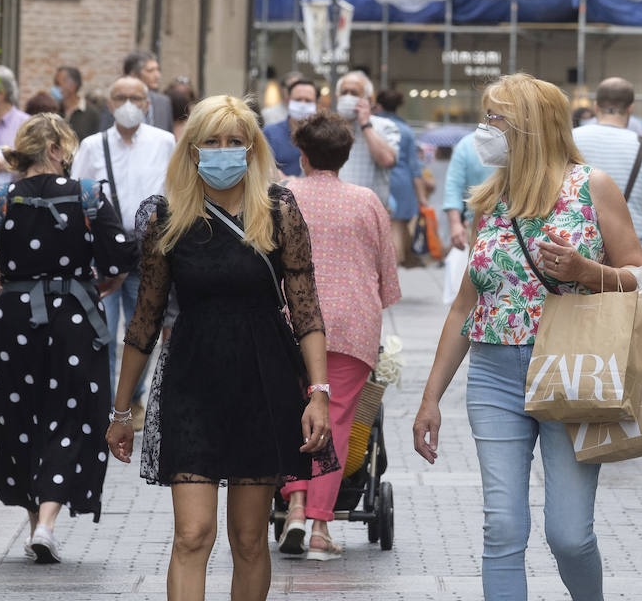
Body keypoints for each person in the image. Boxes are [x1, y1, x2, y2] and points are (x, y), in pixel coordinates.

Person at [413, 73, 642, 601]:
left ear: (529, 127)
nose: (484, 129)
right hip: (495, 376)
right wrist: (431, 398)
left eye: (494, 117)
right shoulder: (493, 198)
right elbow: (463, 308)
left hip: (572, 374)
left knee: (568, 534)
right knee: (503, 530)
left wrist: (586, 270)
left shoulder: (593, 187)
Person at [106, 95, 335, 599]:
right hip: (193, 380)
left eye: (236, 142)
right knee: (192, 535)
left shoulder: (278, 212)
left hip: (263, 379)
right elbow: (143, 321)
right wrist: (121, 410)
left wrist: (319, 393)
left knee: (250, 540)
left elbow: (307, 310)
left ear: (253, 150)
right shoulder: (166, 218)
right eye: (212, 141)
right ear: (192, 150)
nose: (224, 151)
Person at [0, 113, 134, 563]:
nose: (68, 158)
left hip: (15, 319)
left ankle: (36, 526)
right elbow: (122, 249)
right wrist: (109, 278)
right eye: (65, 149)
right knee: (70, 414)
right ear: (53, 150)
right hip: (74, 318)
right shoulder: (86, 195)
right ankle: (47, 522)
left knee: (18, 415)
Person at [278, 112, 401, 558]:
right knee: (335, 422)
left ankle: (292, 504)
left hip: (291, 322)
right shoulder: (367, 200)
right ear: (346, 157)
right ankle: (319, 527)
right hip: (352, 325)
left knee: (294, 412)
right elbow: (388, 276)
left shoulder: (284, 195)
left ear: (303, 155)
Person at [70, 76, 176, 430]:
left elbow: (176, 190)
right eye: (121, 97)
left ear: (148, 104)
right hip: (102, 252)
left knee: (143, 328)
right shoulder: (91, 146)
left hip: (150, 250)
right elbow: (77, 195)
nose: (129, 103)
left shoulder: (165, 143)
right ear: (110, 104)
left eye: (136, 97)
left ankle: (131, 398)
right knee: (101, 330)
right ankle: (107, 402)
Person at [572, 77, 642, 274]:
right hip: (633, 262)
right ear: (631, 108)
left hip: (578, 252)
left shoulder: (570, 140)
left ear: (596, 105)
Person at [332, 71, 401, 205]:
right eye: (344, 92)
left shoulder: (385, 126)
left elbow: (387, 160)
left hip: (369, 211)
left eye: (354, 93)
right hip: (334, 209)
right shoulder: (327, 127)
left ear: (368, 99)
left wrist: (365, 125)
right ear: (337, 96)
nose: (348, 97)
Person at [374, 89, 423, 265]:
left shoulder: (373, 127)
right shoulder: (406, 130)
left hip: (378, 178)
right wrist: (422, 197)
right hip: (402, 183)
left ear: (378, 106)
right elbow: (415, 167)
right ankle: (393, 272)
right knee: (396, 228)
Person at [99, 51, 173, 134]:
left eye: (157, 70)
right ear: (134, 74)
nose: (157, 75)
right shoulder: (115, 103)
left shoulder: (163, 102)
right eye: (150, 71)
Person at [443, 133, 493, 252]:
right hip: (477, 226)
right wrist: (455, 223)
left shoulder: (523, 142)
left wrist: (455, 224)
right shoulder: (467, 145)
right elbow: (453, 185)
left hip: (517, 226)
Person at [262, 73, 317, 177]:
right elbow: (262, 170)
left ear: (316, 103)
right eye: (298, 99)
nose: (302, 104)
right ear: (288, 100)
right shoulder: (269, 134)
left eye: (308, 100)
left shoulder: (323, 136)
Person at [0, 66, 31, 182]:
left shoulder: (25, 123)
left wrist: (9, 165)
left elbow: (35, 162)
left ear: (1, 94)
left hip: (15, 194)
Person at [53, 66, 100, 141]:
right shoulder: (53, 111)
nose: (54, 88)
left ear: (72, 85)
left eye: (58, 84)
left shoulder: (92, 113)